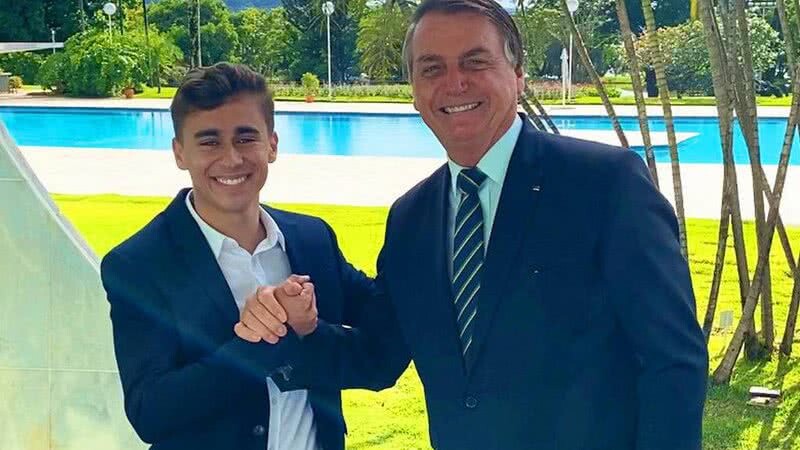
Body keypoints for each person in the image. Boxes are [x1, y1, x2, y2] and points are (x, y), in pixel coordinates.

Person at [238, 0, 710, 449]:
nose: (455, 83)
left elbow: (673, 361)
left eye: (475, 61)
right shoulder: (411, 219)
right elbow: (379, 356)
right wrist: (300, 329)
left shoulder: (605, 185)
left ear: (518, 75)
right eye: (432, 69)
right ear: (415, 90)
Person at [100, 62, 383, 450]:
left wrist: (310, 331)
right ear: (180, 153)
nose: (231, 158)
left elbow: (380, 349)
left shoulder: (313, 240)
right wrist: (263, 341)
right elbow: (151, 412)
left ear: (272, 144)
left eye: (246, 138)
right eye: (209, 142)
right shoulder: (140, 265)